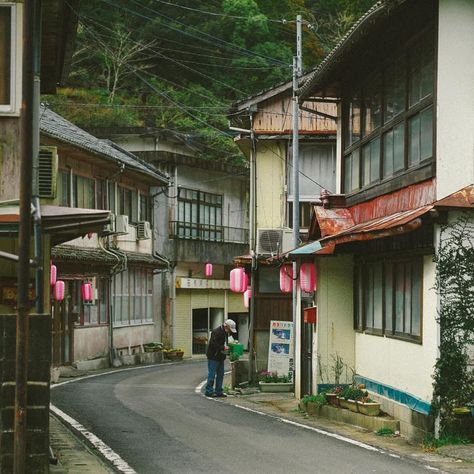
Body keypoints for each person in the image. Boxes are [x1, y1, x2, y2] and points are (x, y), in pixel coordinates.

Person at [205, 319, 237, 397]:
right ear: (226, 326)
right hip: (213, 356)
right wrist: (223, 347)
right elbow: (212, 344)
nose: (230, 331)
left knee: (220, 374)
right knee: (212, 374)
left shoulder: (225, 333)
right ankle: (209, 391)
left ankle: (219, 391)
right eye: (230, 329)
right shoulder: (216, 332)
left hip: (221, 356)